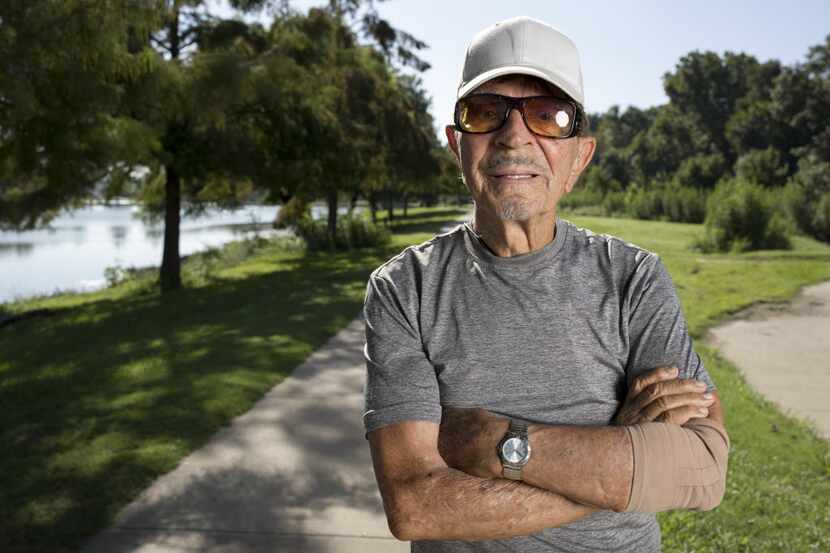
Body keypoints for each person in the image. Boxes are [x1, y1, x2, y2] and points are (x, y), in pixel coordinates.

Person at [362, 16, 729, 553]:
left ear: (580, 155)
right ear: (456, 144)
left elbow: (702, 469)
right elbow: (416, 506)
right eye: (486, 113)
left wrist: (496, 445)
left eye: (549, 117)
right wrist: (624, 465)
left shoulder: (634, 278)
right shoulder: (403, 290)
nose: (515, 137)